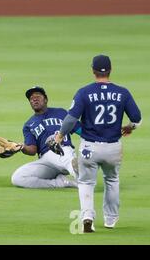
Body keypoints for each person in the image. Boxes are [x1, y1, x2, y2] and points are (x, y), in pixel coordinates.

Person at [55, 55, 141, 233]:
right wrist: (130, 127)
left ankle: (87, 217)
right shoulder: (122, 92)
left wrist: (60, 135)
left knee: (86, 182)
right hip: (113, 147)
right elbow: (137, 118)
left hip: (89, 147)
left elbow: (71, 119)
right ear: (110, 70)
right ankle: (110, 219)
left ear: (93, 70)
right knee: (112, 180)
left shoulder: (84, 92)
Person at [11, 86, 81, 189]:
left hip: (63, 150)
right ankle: (62, 182)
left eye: (38, 96)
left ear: (46, 99)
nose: (34, 99)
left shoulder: (61, 113)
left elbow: (80, 130)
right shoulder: (28, 125)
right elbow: (32, 150)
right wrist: (21, 147)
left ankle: (82, 178)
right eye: (31, 98)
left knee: (68, 158)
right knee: (17, 178)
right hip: (46, 161)